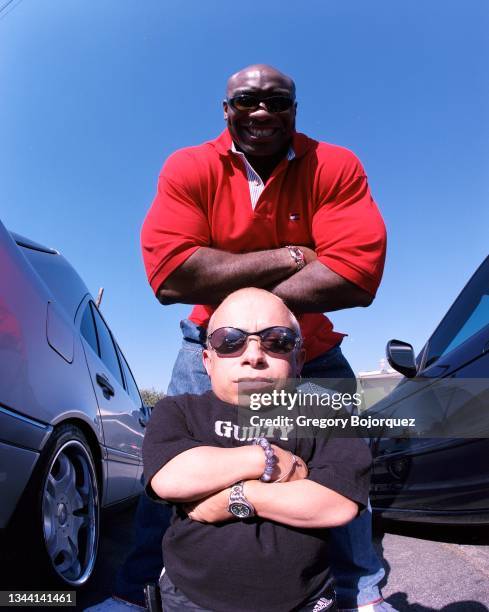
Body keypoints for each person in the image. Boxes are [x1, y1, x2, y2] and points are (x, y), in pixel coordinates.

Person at [86, 64, 391, 612]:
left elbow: (356, 274)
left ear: (295, 109)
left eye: (277, 101)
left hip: (313, 349)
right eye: (247, 100)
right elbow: (172, 276)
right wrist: (293, 256)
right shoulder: (189, 166)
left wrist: (227, 275)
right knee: (170, 468)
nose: (262, 111)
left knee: (346, 465)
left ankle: (359, 593)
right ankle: (135, 592)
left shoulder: (336, 165)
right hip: (211, 339)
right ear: (226, 109)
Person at [143, 287, 372, 612]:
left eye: (277, 340)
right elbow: (171, 477)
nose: (254, 356)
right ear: (207, 361)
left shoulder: (325, 414)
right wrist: (261, 459)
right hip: (190, 599)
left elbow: (337, 505)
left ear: (299, 360)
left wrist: (233, 499)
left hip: (306, 601)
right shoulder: (178, 411)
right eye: (230, 340)